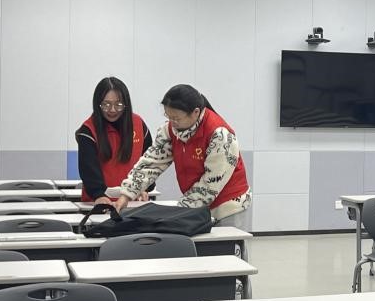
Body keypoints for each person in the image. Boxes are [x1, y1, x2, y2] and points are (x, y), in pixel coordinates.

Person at [114, 84, 251, 226]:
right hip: (197, 205)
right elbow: (152, 163)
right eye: (168, 116)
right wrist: (127, 194)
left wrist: (181, 210)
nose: (172, 123)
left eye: (177, 118)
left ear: (196, 112)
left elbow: (211, 182)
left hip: (227, 207)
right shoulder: (171, 130)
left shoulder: (220, 135)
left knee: (224, 240)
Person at [74, 77, 152, 205]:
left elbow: (149, 162)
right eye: (106, 104)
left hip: (133, 202)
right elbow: (88, 170)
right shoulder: (88, 130)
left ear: (126, 104)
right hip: (99, 202)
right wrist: (99, 194)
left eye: (118, 104)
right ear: (98, 104)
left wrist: (144, 187)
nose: (112, 110)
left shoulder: (138, 125)